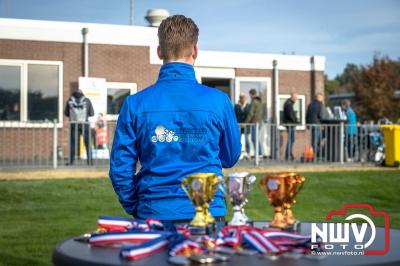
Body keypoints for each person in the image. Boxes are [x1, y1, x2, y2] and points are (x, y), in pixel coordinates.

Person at [109, 15, 241, 222]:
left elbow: (120, 168)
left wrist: (136, 205)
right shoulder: (219, 101)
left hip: (154, 210)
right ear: (195, 51)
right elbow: (230, 157)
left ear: (159, 51)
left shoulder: (135, 103)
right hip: (209, 211)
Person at [64, 89, 94, 165]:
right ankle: (90, 161)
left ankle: (71, 161)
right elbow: (92, 113)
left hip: (74, 124)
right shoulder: (87, 100)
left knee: (73, 143)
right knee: (87, 143)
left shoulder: (70, 100)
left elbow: (66, 113)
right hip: (85, 124)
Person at [245, 89, 263, 157]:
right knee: (256, 138)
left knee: (254, 138)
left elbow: (251, 113)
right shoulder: (259, 101)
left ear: (251, 94)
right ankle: (259, 154)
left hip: (255, 123)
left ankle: (259, 154)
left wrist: (246, 122)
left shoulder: (254, 102)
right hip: (259, 122)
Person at [306, 93, 324, 158]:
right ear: (319, 98)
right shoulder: (320, 104)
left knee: (314, 139)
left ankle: (315, 153)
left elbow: (307, 115)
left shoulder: (310, 104)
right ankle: (318, 154)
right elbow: (320, 115)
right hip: (317, 124)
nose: (322, 99)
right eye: (322, 97)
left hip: (311, 124)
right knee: (317, 140)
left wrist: (307, 124)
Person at [283, 93, 298, 160]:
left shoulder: (289, 103)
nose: (296, 100)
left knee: (291, 140)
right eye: (295, 98)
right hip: (290, 124)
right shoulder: (289, 104)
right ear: (292, 97)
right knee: (291, 140)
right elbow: (290, 115)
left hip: (290, 124)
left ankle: (290, 154)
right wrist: (295, 121)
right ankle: (287, 155)